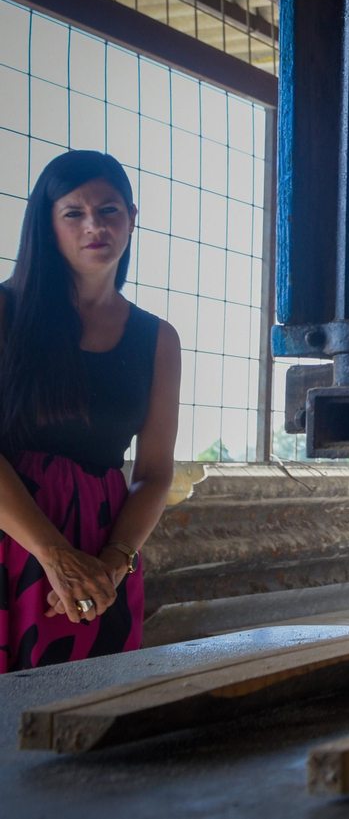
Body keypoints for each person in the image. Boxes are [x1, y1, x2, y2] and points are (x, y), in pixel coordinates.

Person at [0, 150, 180, 671]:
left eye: (108, 210)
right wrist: (53, 554)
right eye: (73, 213)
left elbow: (154, 474)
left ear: (132, 218)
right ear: (47, 224)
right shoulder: (5, 313)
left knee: (90, 701)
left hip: (101, 555)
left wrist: (113, 564)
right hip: (12, 532)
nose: (94, 226)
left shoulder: (158, 340)